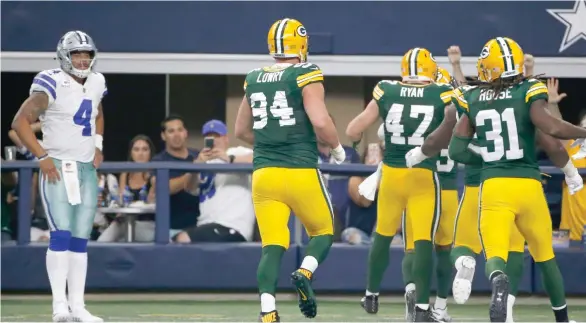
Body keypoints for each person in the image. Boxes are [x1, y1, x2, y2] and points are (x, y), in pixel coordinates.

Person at [424, 37, 586, 322]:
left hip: (494, 186)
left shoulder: (473, 97)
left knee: (495, 256)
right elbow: (552, 131)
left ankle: (498, 280)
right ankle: (562, 319)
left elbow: (458, 149)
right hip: (528, 185)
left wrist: (488, 158)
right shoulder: (528, 91)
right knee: (545, 257)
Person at [234, 18, 345, 322]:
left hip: (264, 174)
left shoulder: (254, 77)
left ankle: (268, 310)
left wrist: (271, 142)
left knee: (272, 245)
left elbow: (240, 129)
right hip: (299, 169)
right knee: (323, 231)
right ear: (302, 44)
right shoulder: (305, 72)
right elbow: (321, 121)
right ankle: (304, 271)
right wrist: (337, 149)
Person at [346, 47, 453, 322]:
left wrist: (358, 142)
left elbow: (353, 130)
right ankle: (422, 308)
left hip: (392, 174)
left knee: (382, 235)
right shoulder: (442, 93)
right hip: (422, 175)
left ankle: (371, 293)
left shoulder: (386, 90)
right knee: (423, 242)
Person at [11, 30, 106, 322]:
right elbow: (19, 122)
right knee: (60, 234)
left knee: (80, 238)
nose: (82, 59)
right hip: (59, 166)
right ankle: (58, 306)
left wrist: (98, 144)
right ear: (65, 56)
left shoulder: (97, 81)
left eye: (86, 54)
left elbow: (97, 112)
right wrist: (42, 155)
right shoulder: (51, 81)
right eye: (76, 54)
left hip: (86, 168)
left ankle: (78, 307)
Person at [175, 119, 255, 243]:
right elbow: (189, 188)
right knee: (172, 241)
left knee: (183, 239)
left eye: (217, 136)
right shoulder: (202, 163)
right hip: (205, 225)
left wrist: (228, 158)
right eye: (208, 136)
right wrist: (196, 167)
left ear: (225, 139)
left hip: (232, 225)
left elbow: (260, 159)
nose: (213, 139)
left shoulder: (236, 152)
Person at [98, 135, 156, 242]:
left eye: (145, 149)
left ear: (150, 152)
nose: (140, 153)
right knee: (117, 226)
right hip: (126, 222)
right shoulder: (126, 173)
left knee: (119, 226)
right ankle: (96, 251)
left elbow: (151, 203)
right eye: (136, 149)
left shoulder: (154, 175)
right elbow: (120, 201)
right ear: (131, 152)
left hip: (149, 225)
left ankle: (96, 252)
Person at [150, 115, 200, 240]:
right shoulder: (158, 160)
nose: (176, 134)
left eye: (180, 130)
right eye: (171, 131)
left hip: (200, 226)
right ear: (163, 136)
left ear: (185, 133)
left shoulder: (198, 156)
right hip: (170, 229)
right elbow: (162, 187)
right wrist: (194, 171)